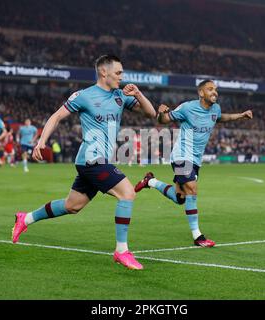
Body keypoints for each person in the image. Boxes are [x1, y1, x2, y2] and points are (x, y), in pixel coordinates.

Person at [11, 54, 156, 270]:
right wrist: (41, 141)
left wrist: (139, 94)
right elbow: (56, 116)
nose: (121, 77)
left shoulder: (120, 96)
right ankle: (122, 251)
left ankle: (26, 218)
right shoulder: (84, 96)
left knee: (73, 206)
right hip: (91, 159)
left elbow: (151, 113)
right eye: (118, 72)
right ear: (103, 72)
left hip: (96, 160)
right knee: (127, 192)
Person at [135, 80, 253, 247]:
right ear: (201, 93)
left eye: (216, 90)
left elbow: (221, 117)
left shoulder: (216, 109)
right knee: (192, 188)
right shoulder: (187, 108)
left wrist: (240, 115)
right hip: (182, 155)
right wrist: (161, 113)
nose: (215, 92)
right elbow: (164, 120)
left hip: (196, 159)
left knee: (180, 198)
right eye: (210, 89)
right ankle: (198, 236)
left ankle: (150, 181)